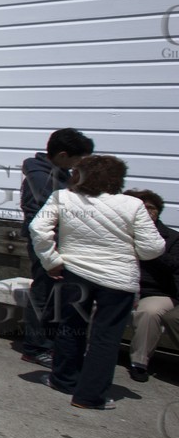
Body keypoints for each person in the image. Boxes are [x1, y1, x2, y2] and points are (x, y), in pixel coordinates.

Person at [29, 155, 165, 410]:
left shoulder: (63, 197)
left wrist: (51, 260)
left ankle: (63, 380)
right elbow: (152, 249)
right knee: (106, 337)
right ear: (117, 178)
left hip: (74, 273)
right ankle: (89, 396)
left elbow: (38, 228)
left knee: (71, 327)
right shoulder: (133, 205)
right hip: (118, 280)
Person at [18, 128, 94, 365]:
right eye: (78, 159)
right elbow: (37, 219)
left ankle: (49, 344)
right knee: (44, 294)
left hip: (60, 243)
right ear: (63, 155)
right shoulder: (41, 178)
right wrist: (49, 250)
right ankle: (35, 346)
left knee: (54, 295)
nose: (80, 164)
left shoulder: (59, 174)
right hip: (47, 245)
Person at [124, 189, 179, 383]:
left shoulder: (171, 237)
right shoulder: (120, 232)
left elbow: (174, 265)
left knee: (149, 312)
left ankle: (139, 363)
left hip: (156, 291)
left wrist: (152, 247)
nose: (147, 211)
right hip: (121, 286)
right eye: (142, 207)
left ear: (158, 211)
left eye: (151, 207)